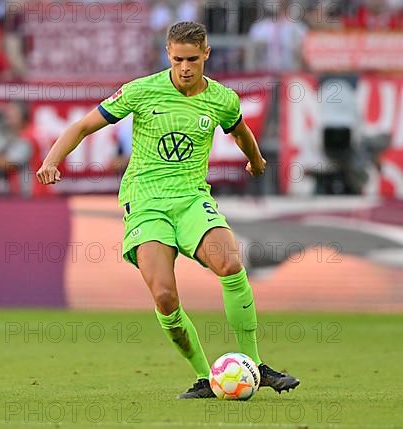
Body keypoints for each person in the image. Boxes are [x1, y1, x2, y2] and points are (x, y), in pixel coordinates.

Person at [36, 21, 300, 399]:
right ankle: (205, 377)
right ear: (168, 55)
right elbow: (82, 126)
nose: (186, 67)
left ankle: (255, 364)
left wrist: (256, 161)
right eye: (178, 59)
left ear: (206, 54)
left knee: (230, 263)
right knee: (164, 296)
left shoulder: (223, 99)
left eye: (193, 59)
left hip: (192, 198)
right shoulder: (142, 90)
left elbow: (239, 130)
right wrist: (52, 160)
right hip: (146, 204)